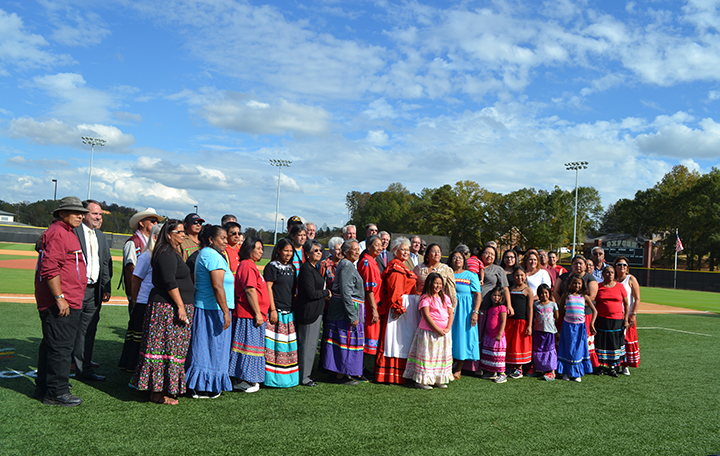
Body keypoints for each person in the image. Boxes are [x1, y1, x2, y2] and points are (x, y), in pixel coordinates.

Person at [33, 196, 89, 406]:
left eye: (81, 212)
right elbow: (50, 268)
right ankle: (57, 392)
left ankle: (45, 386)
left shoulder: (64, 232)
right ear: (61, 213)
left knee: (52, 344)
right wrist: (60, 298)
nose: (80, 215)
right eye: (75, 212)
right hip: (61, 301)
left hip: (67, 299)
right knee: (61, 347)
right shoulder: (58, 232)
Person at [132, 220, 195, 405]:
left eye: (184, 232)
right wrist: (181, 306)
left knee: (170, 349)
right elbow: (169, 282)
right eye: (180, 232)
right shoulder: (166, 253)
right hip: (167, 309)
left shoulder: (171, 251)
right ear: (168, 234)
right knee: (163, 349)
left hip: (170, 307)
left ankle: (164, 389)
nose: (183, 235)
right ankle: (158, 393)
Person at [185, 225, 234, 398]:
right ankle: (203, 386)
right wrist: (226, 312)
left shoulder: (208, 254)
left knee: (206, 348)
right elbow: (217, 286)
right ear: (211, 239)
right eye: (222, 238)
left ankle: (201, 384)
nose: (226, 242)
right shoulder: (212, 256)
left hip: (210, 308)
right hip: (211, 310)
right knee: (210, 349)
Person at [72, 199, 112, 382]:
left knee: (89, 330)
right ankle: (66, 368)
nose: (98, 217)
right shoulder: (73, 231)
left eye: (100, 214)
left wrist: (106, 286)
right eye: (95, 213)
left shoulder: (101, 236)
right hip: (75, 290)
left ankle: (84, 369)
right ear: (83, 214)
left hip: (94, 291)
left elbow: (105, 262)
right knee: (70, 329)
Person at [118, 223, 162, 373]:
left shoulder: (159, 255)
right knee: (139, 338)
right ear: (156, 238)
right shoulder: (147, 255)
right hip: (144, 301)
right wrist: (135, 300)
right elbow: (135, 278)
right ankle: (133, 367)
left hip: (153, 302)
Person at [374, 237, 419, 384]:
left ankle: (400, 372)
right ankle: (392, 373)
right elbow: (395, 290)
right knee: (395, 340)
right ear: (395, 251)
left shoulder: (402, 266)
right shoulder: (396, 268)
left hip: (406, 308)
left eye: (407, 249)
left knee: (401, 340)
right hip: (400, 310)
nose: (406, 252)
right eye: (402, 249)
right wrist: (397, 307)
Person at [321, 239, 364, 385]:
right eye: (354, 249)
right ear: (345, 252)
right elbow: (346, 292)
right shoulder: (346, 264)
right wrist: (352, 315)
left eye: (358, 249)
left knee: (343, 341)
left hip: (345, 309)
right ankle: (341, 374)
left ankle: (341, 372)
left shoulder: (348, 265)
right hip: (343, 312)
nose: (357, 252)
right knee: (343, 341)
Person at [228, 238, 269, 393]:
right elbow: (250, 290)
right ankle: (242, 379)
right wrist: (257, 313)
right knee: (247, 347)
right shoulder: (246, 265)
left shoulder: (251, 266)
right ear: (249, 249)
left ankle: (247, 378)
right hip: (248, 315)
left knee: (253, 348)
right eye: (257, 248)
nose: (261, 251)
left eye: (261, 248)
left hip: (253, 315)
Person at [403, 273, 454, 390]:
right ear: (430, 283)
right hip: (429, 333)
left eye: (440, 283)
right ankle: (422, 380)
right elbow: (426, 315)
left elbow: (451, 313)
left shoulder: (445, 298)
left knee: (440, 356)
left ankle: (438, 379)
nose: (438, 286)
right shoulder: (425, 297)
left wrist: (448, 328)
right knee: (428, 356)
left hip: (443, 333)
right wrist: (437, 329)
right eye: (436, 283)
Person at [263, 238, 299, 388]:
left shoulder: (292, 268)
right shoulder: (272, 267)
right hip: (276, 312)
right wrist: (272, 309)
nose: (288, 254)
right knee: (275, 347)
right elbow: (268, 287)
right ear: (278, 250)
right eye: (286, 251)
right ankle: (272, 379)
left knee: (287, 348)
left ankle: (288, 379)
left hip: (289, 312)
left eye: (291, 251)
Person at [553, 254, 599, 370]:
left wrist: (576, 302)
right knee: (566, 341)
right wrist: (564, 305)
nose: (578, 265)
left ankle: (581, 365)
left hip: (583, 315)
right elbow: (556, 292)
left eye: (580, 263)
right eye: (575, 263)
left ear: (585, 265)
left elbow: (592, 297)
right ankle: (564, 365)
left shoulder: (589, 278)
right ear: (571, 265)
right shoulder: (564, 277)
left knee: (581, 342)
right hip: (567, 315)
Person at [295, 240, 331, 387]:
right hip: (308, 312)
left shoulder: (314, 268)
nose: (319, 253)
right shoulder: (306, 269)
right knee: (307, 346)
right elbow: (310, 292)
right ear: (308, 253)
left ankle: (307, 374)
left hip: (316, 311)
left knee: (311, 345)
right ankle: (304, 377)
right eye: (315, 250)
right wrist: (326, 293)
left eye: (320, 251)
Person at [557, 274, 596, 382]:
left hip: (580, 327)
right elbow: (561, 309)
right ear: (570, 284)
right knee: (567, 348)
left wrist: (591, 324)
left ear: (582, 284)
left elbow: (595, 311)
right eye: (574, 283)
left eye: (579, 283)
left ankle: (576, 373)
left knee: (578, 349)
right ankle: (566, 372)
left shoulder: (584, 297)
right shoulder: (566, 295)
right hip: (568, 326)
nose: (577, 285)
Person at [122, 207, 162, 311]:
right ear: (141, 223)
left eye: (157, 221)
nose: (156, 223)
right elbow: (131, 268)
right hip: (139, 294)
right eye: (153, 221)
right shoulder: (132, 242)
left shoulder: (154, 242)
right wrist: (133, 294)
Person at [449, 251, 481, 380]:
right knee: (449, 336)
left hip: (465, 311)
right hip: (449, 309)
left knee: (462, 337)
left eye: (460, 258)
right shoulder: (447, 273)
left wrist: (475, 311)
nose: (457, 260)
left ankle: (458, 369)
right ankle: (447, 365)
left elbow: (477, 295)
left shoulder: (471, 275)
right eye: (455, 257)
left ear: (464, 260)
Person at [594, 266, 629, 377]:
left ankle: (613, 366)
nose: (610, 274)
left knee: (614, 343)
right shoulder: (598, 287)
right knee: (601, 342)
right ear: (603, 274)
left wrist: (626, 319)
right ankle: (601, 365)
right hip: (602, 319)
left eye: (612, 273)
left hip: (617, 319)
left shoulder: (620, 286)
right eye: (607, 272)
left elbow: (626, 304)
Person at [357, 234, 383, 361]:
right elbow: (368, 289)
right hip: (369, 307)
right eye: (376, 245)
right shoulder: (367, 263)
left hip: (374, 305)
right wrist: (374, 310)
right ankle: (359, 369)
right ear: (368, 246)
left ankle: (363, 368)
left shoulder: (373, 261)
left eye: (381, 245)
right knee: (366, 339)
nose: (380, 248)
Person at [614, 256, 641, 375]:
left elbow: (637, 298)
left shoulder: (630, 279)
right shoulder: (612, 279)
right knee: (615, 341)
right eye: (619, 264)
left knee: (627, 340)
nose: (622, 267)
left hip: (627, 315)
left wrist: (633, 314)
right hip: (614, 316)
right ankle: (615, 364)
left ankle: (625, 365)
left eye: (624, 265)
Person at [506, 267, 533, 379]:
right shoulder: (510, 289)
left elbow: (530, 308)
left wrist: (529, 325)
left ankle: (519, 368)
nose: (519, 277)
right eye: (517, 275)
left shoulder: (528, 290)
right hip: (510, 321)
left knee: (519, 345)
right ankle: (511, 366)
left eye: (522, 275)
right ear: (513, 277)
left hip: (522, 321)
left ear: (525, 276)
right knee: (511, 344)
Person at [414, 243, 456, 307]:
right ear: (427, 254)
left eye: (439, 252)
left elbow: (451, 291)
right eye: (433, 251)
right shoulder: (419, 268)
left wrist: (452, 308)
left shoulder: (446, 269)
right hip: (420, 302)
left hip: (438, 304)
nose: (437, 254)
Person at [480, 287, 508, 384]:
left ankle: (502, 374)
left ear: (502, 297)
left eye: (498, 296)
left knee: (497, 355)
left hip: (497, 336)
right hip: (489, 336)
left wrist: (500, 333)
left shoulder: (502, 308)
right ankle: (492, 372)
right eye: (494, 295)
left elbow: (503, 321)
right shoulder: (490, 309)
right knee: (491, 354)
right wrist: (484, 335)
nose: (496, 297)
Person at [532, 284, 559, 381]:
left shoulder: (553, 304)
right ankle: (538, 369)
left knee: (550, 350)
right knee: (538, 350)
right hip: (538, 331)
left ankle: (552, 371)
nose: (543, 295)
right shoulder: (536, 305)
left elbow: (556, 317)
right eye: (541, 293)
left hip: (549, 332)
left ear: (549, 293)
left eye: (545, 293)